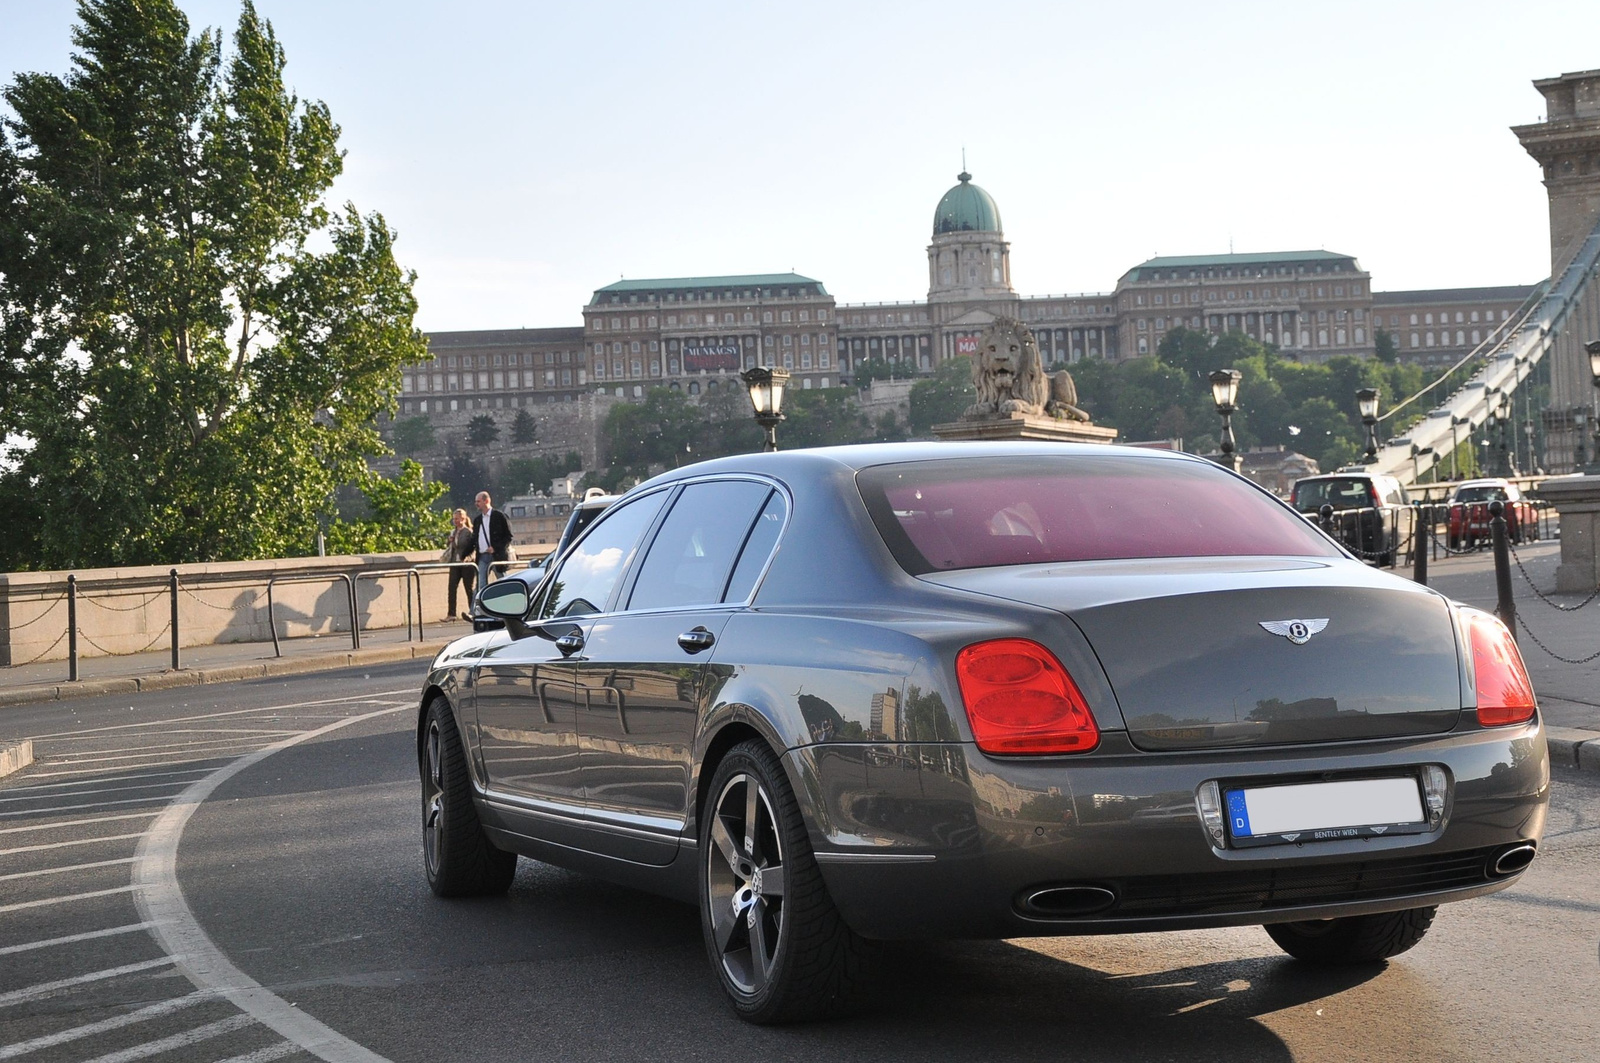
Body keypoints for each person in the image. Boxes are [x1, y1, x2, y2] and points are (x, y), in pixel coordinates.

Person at [471, 490, 513, 594]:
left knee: (503, 582)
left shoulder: (499, 516)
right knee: (481, 585)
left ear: (486, 501)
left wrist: (495, 548)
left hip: (497, 555)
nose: (476, 504)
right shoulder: (477, 520)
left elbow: (508, 536)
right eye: (476, 501)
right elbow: (474, 539)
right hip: (482, 556)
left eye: (478, 501)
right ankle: (477, 609)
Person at [443, 508, 476, 621]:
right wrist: (450, 540)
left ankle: (473, 611)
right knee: (452, 587)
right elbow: (450, 546)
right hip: (454, 563)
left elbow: (471, 547)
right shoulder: (453, 531)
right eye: (454, 519)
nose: (455, 521)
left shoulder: (468, 532)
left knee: (468, 588)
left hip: (466, 564)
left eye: (457, 519)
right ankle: (451, 613)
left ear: (463, 519)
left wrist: (466, 557)